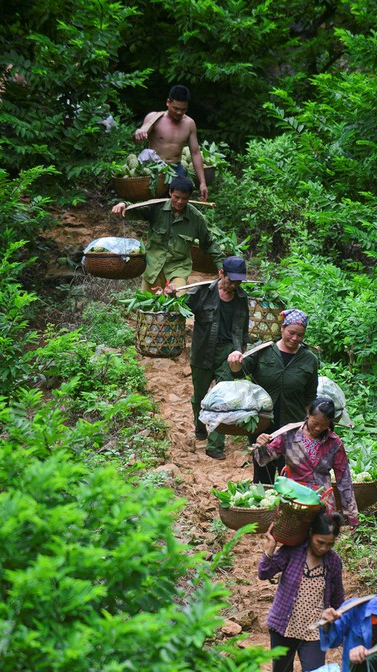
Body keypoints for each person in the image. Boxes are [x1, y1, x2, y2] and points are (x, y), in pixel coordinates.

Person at [228, 309, 319, 483]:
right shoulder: (264, 351)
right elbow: (239, 372)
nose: (294, 338)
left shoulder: (309, 359)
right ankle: (264, 508)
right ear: (282, 328)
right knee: (263, 473)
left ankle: (287, 509)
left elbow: (310, 396)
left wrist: (310, 428)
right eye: (291, 333)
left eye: (300, 335)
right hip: (262, 424)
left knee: (291, 475)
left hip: (293, 426)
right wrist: (234, 362)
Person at [258, 512, 345, 672]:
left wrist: (337, 621)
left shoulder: (333, 561)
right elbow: (264, 573)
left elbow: (337, 596)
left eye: (330, 544)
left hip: (314, 630)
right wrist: (271, 547)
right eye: (320, 542)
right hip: (284, 626)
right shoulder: (293, 552)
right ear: (311, 533)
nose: (323, 548)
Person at [254, 396, 359, 531]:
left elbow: (344, 480)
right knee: (291, 539)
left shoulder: (334, 444)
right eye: (315, 423)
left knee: (319, 544)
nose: (318, 428)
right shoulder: (289, 435)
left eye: (324, 425)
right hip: (293, 499)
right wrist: (261, 445)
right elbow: (263, 459)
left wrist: (351, 515)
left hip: (322, 502)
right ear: (308, 414)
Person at [112, 175, 223, 292]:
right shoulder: (156, 208)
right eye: (177, 197)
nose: (180, 202)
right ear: (170, 192)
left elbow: (209, 243)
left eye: (184, 199)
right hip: (153, 267)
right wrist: (123, 205)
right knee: (146, 304)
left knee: (177, 301)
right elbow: (134, 210)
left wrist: (221, 266)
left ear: (189, 197)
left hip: (178, 269)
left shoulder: (196, 218)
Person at [188, 256, 250, 460]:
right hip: (203, 350)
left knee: (222, 400)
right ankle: (199, 424)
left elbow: (243, 331)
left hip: (228, 353)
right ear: (221, 274)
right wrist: (170, 294)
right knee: (199, 396)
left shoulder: (241, 299)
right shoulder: (203, 293)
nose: (234, 285)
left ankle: (215, 446)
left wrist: (240, 351)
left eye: (238, 281)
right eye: (231, 280)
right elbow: (180, 308)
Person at [133, 84, 209, 200]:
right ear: (168, 102)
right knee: (152, 202)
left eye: (183, 109)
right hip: (154, 168)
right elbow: (140, 136)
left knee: (179, 201)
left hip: (176, 169)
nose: (179, 112)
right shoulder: (154, 118)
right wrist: (138, 133)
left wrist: (202, 182)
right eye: (176, 108)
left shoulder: (189, 124)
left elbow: (195, 152)